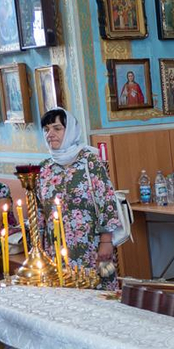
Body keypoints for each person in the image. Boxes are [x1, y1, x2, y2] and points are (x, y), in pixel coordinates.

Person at [38, 108, 121, 290]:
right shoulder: (44, 169)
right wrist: (38, 247)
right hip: (57, 249)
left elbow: (106, 201)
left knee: (105, 295)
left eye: (57, 128)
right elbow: (40, 211)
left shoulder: (89, 161)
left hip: (94, 246)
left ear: (70, 131)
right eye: (46, 129)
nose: (50, 134)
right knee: (66, 300)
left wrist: (106, 242)